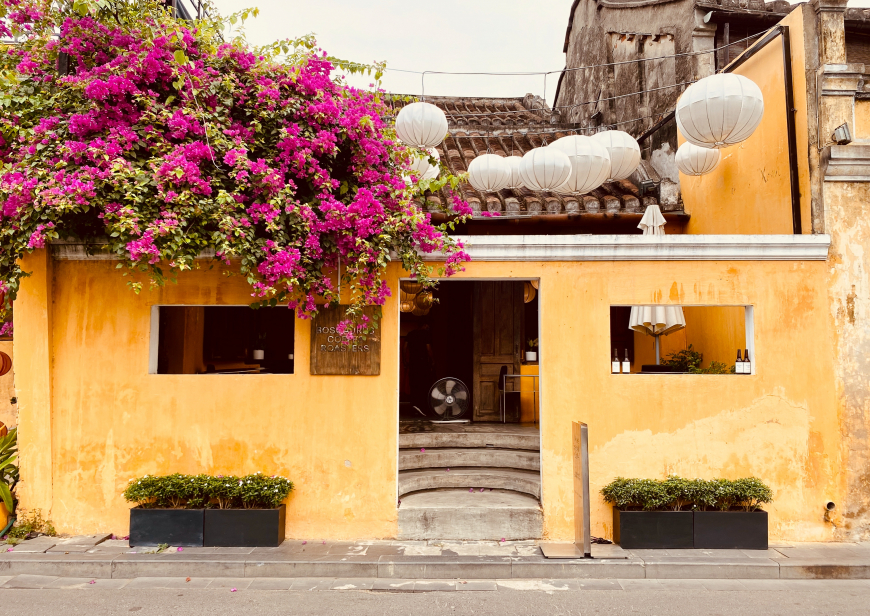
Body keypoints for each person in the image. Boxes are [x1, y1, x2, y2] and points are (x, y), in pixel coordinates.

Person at [406, 320, 435, 416]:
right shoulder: (426, 334)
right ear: (425, 325)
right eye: (427, 325)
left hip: (413, 362)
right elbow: (428, 349)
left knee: (413, 383)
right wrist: (433, 360)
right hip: (423, 363)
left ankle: (414, 405)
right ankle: (422, 406)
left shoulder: (410, 334)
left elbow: (404, 348)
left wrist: (404, 360)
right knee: (423, 384)